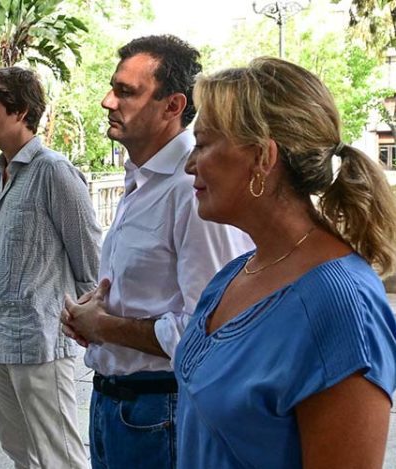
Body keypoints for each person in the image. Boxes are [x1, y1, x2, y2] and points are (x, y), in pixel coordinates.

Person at [175, 57, 396, 468]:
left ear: (262, 157)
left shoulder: (341, 306)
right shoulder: (233, 275)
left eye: (202, 145)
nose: (189, 164)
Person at [61, 35, 252, 469]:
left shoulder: (194, 190)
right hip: (116, 405)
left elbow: (208, 330)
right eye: (113, 87)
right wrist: (93, 315)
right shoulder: (142, 180)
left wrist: (106, 326)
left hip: (158, 413)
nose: (108, 101)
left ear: (173, 106)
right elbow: (150, 290)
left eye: (126, 91)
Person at [0, 66, 100, 469]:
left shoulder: (54, 171)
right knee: (21, 455)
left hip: (40, 340)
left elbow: (90, 258)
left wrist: (90, 325)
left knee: (60, 457)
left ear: (20, 111)